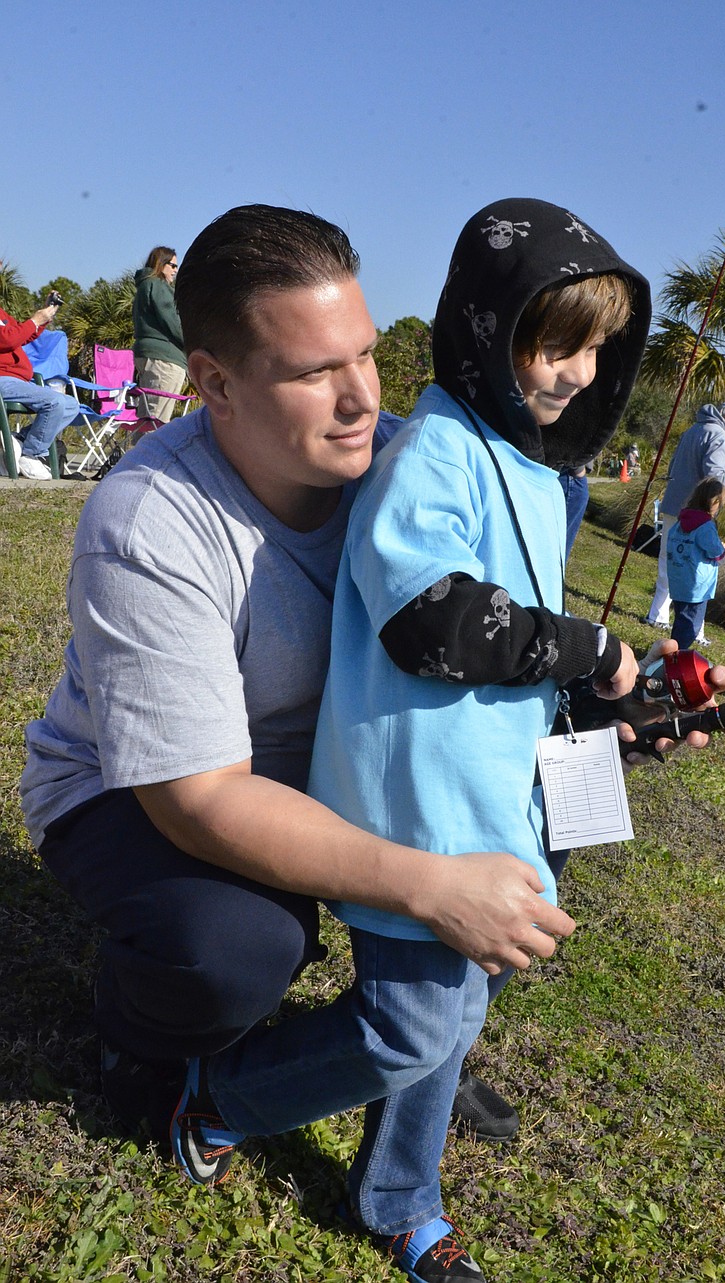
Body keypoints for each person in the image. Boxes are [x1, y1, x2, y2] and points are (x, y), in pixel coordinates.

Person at [19, 204, 580, 1277]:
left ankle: (423, 1057)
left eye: (367, 353)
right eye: (314, 371)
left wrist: (602, 708)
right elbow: (201, 801)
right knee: (238, 949)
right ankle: (150, 1039)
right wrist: (428, 886)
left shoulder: (405, 471)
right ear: (216, 384)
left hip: (336, 770)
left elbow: (486, 645)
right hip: (142, 787)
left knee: (514, 860)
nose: (363, 395)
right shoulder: (151, 518)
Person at [304, 197, 661, 1278]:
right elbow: (436, 622)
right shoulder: (432, 452)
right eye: (553, 343)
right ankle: (227, 1097)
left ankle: (400, 1172)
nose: (578, 373)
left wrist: (618, 705)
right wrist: (590, 646)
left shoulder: (541, 472)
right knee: (407, 1025)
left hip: (501, 797)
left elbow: (528, 651)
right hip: (416, 807)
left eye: (596, 347)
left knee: (465, 998)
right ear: (480, 330)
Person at [646, 398, 725, 639]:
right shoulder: (719, 437)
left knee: (669, 560)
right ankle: (694, 629)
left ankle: (657, 615)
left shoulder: (694, 429)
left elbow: (674, 466)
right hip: (698, 512)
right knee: (700, 570)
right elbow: (715, 479)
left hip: (674, 504)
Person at [0, 282, 79, 479]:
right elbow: (7, 339)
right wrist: (35, 319)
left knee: (71, 405)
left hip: (18, 380)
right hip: (3, 378)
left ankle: (20, 440)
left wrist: (44, 317)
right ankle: (32, 454)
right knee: (55, 402)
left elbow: (21, 334)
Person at [667, 477, 725, 650]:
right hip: (697, 586)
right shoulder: (705, 526)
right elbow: (715, 551)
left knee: (681, 620)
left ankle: (673, 650)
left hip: (679, 579)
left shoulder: (682, 520)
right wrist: (721, 549)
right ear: (715, 502)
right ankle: (675, 656)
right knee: (690, 626)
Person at [131, 246, 187, 434]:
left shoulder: (146, 285)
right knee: (155, 422)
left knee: (149, 418)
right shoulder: (157, 285)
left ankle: (137, 460)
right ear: (160, 264)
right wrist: (195, 344)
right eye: (172, 265)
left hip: (152, 356)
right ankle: (142, 462)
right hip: (163, 360)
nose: (175, 270)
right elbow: (174, 323)